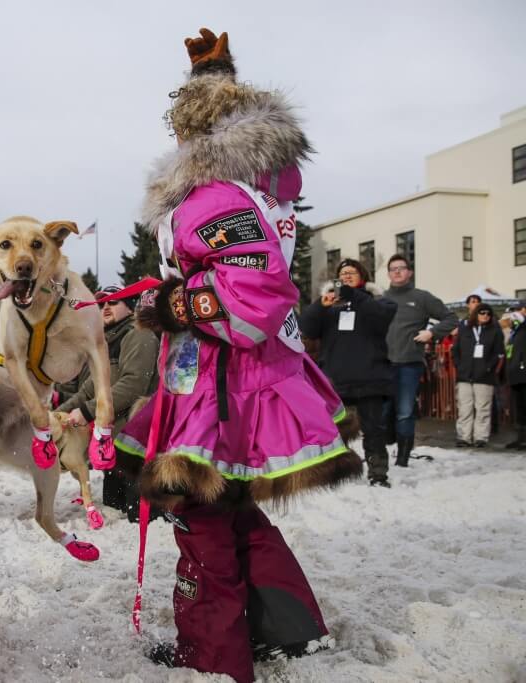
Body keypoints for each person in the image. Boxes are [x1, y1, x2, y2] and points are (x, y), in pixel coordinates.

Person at [113, 29, 362, 682]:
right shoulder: (260, 184)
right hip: (240, 377)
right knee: (233, 509)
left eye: (182, 128)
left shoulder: (213, 197)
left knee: (200, 515)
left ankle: (215, 654)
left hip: (223, 387)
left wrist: (173, 306)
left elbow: (254, 293)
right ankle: (290, 628)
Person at [59, 284, 158, 517]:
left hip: (137, 445)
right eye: (101, 303)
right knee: (114, 507)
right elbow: (86, 391)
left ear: (130, 307)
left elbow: (135, 384)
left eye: (113, 302)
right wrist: (54, 417)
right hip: (113, 444)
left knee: (139, 517)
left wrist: (88, 411)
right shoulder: (106, 342)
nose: (105, 307)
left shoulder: (138, 334)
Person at [299, 259, 398, 486]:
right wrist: (320, 306)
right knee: (333, 431)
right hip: (335, 380)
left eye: (351, 273)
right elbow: (306, 327)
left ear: (362, 276)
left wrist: (353, 294)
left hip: (370, 378)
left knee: (373, 430)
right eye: (342, 273)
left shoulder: (375, 301)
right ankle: (334, 471)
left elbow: (382, 317)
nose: (346, 276)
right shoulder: (329, 305)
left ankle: (378, 472)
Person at [382, 254, 458, 466]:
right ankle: (379, 457)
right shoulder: (381, 299)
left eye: (401, 268)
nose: (397, 271)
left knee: (405, 412)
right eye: (393, 268)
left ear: (409, 272)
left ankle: (403, 460)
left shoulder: (422, 297)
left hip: (409, 363)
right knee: (381, 411)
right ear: (388, 273)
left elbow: (451, 318)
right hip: (382, 365)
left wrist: (432, 333)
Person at [452, 303, 504, 448]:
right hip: (465, 375)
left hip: (485, 376)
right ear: (476, 314)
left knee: (483, 408)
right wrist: (459, 365)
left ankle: (481, 437)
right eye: (482, 313)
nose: (485, 315)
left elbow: (499, 352)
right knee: (464, 407)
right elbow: (455, 350)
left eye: (488, 313)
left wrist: (489, 367)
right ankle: (464, 436)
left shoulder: (495, 331)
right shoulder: (465, 329)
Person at [503, 301, 526, 449]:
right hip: (516, 373)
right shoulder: (516, 331)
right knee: (519, 408)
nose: (517, 313)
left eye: (521, 310)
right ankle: (521, 437)